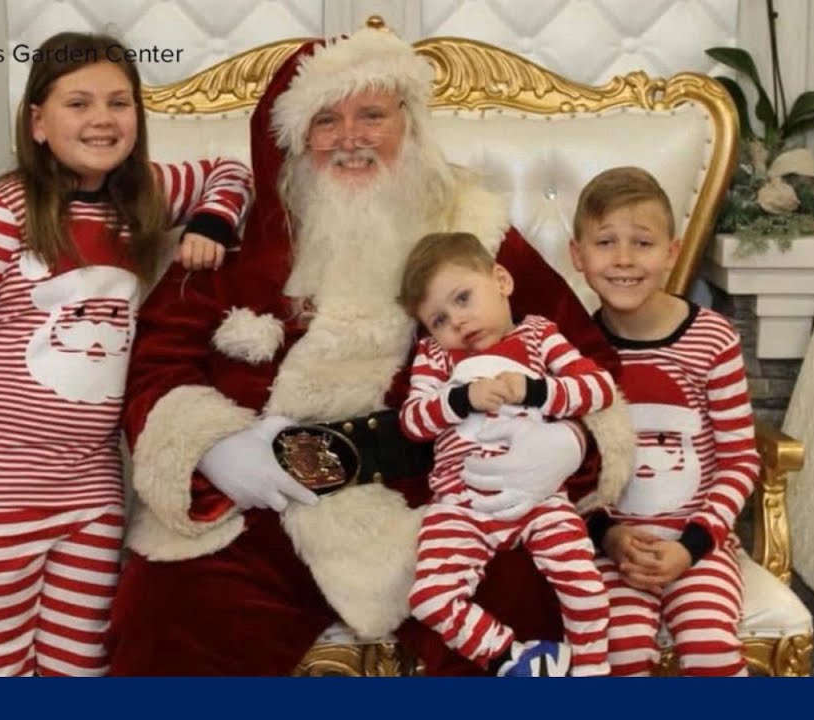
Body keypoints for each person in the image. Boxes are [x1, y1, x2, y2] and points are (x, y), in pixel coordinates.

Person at [108, 28, 635, 676]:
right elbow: (156, 361)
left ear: (407, 123)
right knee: (162, 619)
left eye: (373, 115)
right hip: (262, 509)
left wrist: (569, 444)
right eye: (326, 120)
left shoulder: (472, 228)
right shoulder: (234, 239)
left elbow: (586, 357)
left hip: (444, 499)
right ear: (294, 138)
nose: (350, 138)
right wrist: (212, 448)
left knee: (532, 608)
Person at [0, 32, 252, 677]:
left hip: (92, 485)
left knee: (79, 661)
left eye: (119, 103)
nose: (102, 118)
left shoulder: (142, 198)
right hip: (0, 484)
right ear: (38, 123)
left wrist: (213, 219)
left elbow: (229, 171)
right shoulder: (0, 215)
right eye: (79, 103)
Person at [396, 231, 616, 677]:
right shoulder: (436, 355)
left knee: (585, 585)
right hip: (461, 500)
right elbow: (413, 420)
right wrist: (463, 398)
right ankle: (514, 660)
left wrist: (536, 390)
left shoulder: (539, 335)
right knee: (429, 597)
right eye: (438, 319)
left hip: (541, 496)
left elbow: (598, 388)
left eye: (463, 298)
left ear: (501, 280)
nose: (457, 322)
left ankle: (592, 672)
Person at [569, 166, 760, 676]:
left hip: (699, 543)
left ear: (672, 253)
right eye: (605, 242)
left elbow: (740, 461)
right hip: (614, 548)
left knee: (709, 642)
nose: (624, 259)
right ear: (578, 255)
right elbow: (568, 470)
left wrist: (692, 545)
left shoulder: (713, 340)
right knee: (618, 648)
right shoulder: (571, 352)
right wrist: (608, 536)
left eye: (643, 242)